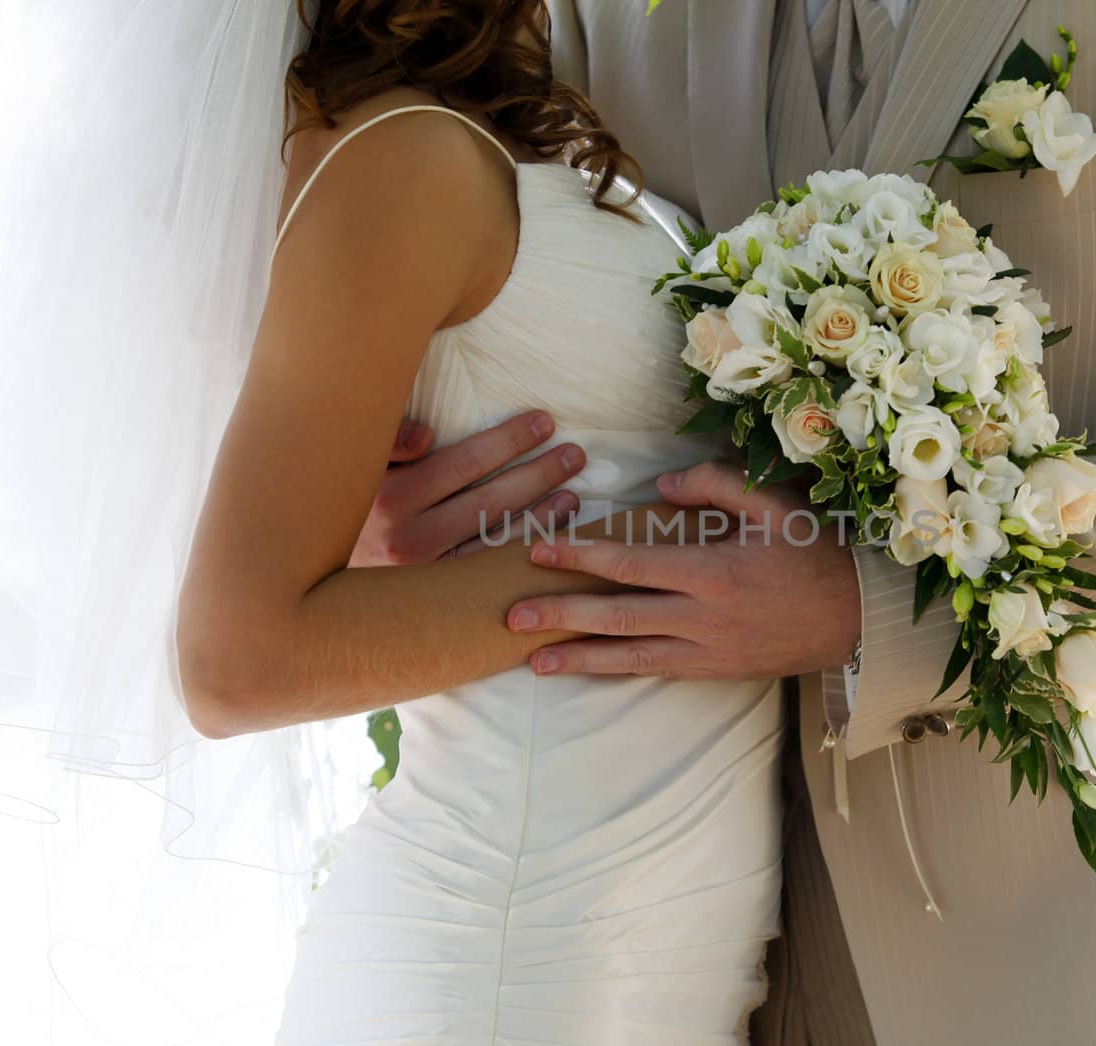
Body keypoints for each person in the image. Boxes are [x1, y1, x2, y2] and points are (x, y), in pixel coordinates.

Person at [359, 1, 1096, 1042]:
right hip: (669, 915)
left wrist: (873, 603)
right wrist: (377, 492)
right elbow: (459, 276)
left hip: (1090, 908)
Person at [176, 2, 796, 1040]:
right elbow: (235, 660)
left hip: (644, 941)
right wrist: (672, 552)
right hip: (512, 948)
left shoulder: (505, 125)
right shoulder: (402, 156)